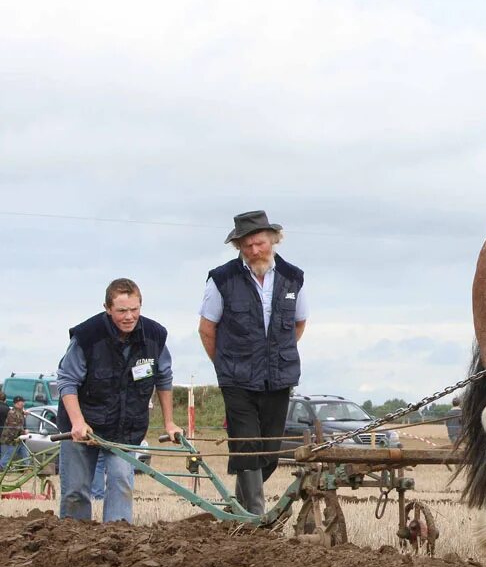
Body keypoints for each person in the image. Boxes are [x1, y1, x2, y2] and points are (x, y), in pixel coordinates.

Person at [199, 211, 307, 516]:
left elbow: (298, 325)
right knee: (247, 445)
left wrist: (273, 356)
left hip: (278, 377)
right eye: (246, 246)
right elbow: (207, 330)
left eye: (258, 243)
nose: (254, 251)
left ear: (272, 240)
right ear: (238, 247)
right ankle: (257, 516)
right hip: (237, 379)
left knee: (269, 452)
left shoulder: (294, 278)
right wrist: (225, 365)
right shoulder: (222, 279)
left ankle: (240, 509)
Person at [56, 278, 181, 522]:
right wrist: (78, 423)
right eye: (122, 310)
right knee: (75, 491)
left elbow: (163, 378)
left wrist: (169, 423)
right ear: (107, 308)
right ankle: (72, 544)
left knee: (121, 482)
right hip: (84, 425)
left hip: (126, 427)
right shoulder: (87, 337)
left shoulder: (155, 337)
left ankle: (117, 543)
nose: (129, 316)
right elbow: (67, 381)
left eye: (134, 310)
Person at [1, 396, 30, 470]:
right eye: (22, 402)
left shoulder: (19, 412)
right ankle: (2, 467)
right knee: (9, 455)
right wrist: (24, 432)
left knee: (25, 454)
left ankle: (27, 468)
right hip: (12, 439)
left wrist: (24, 413)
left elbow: (19, 414)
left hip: (19, 439)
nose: (23, 403)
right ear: (17, 403)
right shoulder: (12, 413)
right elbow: (13, 428)